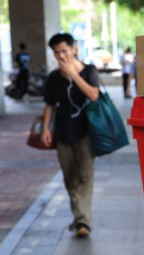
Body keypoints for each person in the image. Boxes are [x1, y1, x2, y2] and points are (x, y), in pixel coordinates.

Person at [41, 33, 100, 238]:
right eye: (57, 53)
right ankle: (79, 217)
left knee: (85, 176)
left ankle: (83, 221)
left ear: (74, 49)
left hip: (85, 133)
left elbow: (93, 94)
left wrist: (73, 75)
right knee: (70, 179)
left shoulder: (89, 71)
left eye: (64, 51)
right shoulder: (54, 78)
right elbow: (49, 104)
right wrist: (45, 129)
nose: (61, 56)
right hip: (63, 134)